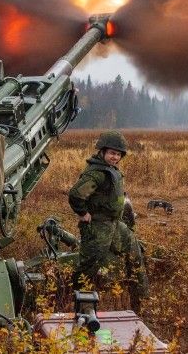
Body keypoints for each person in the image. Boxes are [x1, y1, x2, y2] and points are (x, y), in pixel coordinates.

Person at [68, 131, 149, 311]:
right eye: (112, 153)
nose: (115, 157)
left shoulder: (111, 171)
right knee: (88, 269)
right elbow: (75, 195)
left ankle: (142, 305)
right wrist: (83, 213)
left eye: (118, 154)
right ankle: (83, 310)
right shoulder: (97, 174)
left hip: (115, 224)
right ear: (103, 152)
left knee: (135, 254)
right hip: (98, 227)